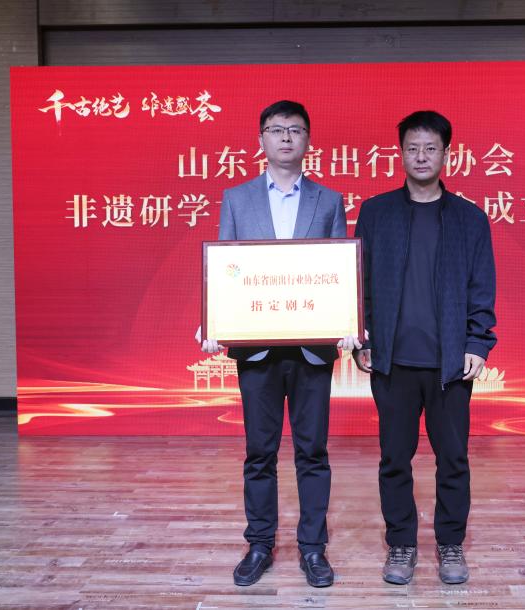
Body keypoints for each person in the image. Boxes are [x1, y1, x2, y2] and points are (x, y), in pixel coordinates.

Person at [195, 100, 360, 588]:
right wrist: (214, 322)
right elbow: (226, 269)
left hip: (312, 349)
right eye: (276, 129)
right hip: (257, 349)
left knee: (313, 452)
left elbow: (339, 271)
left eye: (295, 130)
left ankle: (313, 548)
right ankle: (260, 544)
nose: (286, 137)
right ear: (261, 140)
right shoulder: (236, 198)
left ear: (308, 140)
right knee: (259, 452)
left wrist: (348, 321)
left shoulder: (328, 200)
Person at [353, 110, 497, 585]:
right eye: (412, 148)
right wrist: (362, 338)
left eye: (430, 148)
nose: (420, 156)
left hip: (449, 364)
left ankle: (450, 544)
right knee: (394, 459)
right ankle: (401, 545)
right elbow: (360, 284)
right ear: (400, 153)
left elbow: (482, 287)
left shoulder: (470, 219)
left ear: (446, 154)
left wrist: (477, 342)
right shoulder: (376, 213)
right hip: (392, 361)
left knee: (453, 460)